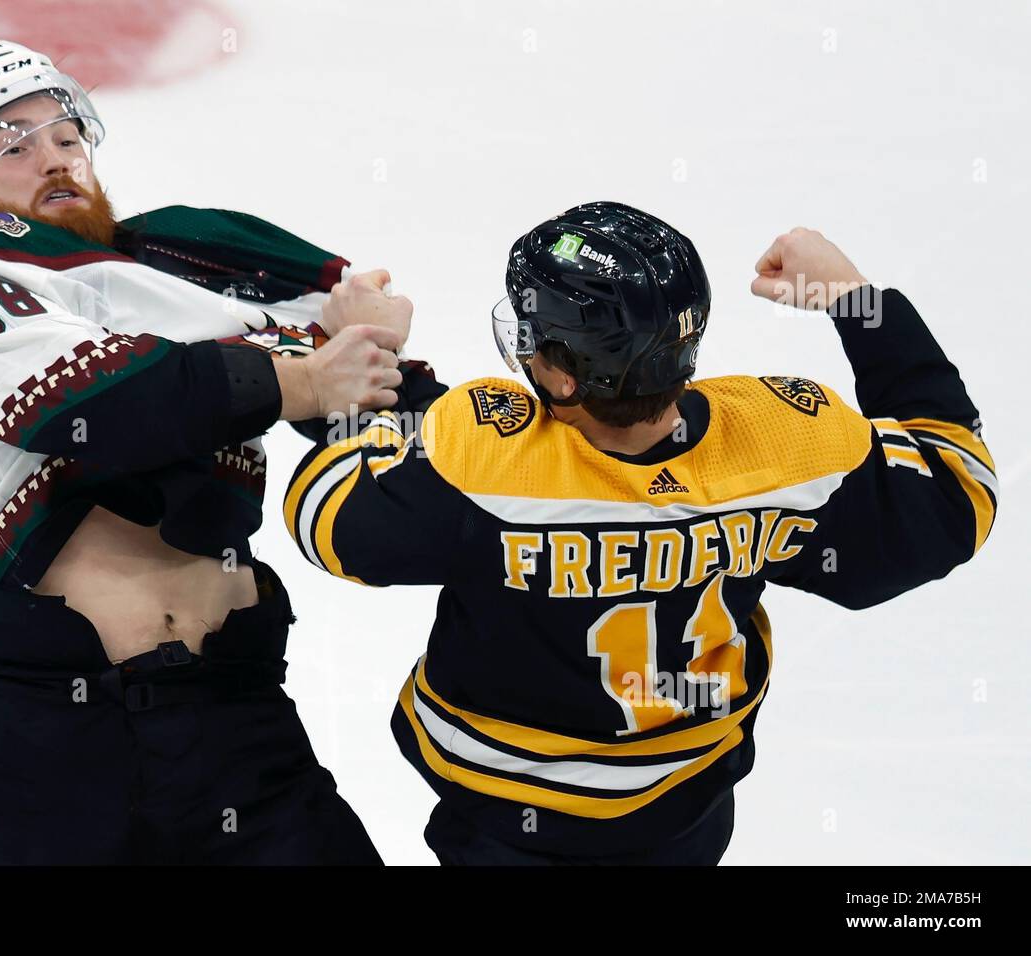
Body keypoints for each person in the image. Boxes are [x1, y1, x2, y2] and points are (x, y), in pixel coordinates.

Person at [283, 201, 998, 865]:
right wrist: (857, 302)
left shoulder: (478, 460)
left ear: (562, 379)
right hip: (688, 812)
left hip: (504, 822)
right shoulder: (785, 447)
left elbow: (331, 515)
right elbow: (958, 487)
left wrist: (362, 353)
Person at [0, 40, 436, 864]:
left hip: (238, 720)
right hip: (48, 738)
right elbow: (105, 404)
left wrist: (377, 360)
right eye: (13, 144)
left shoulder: (186, 275)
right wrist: (311, 379)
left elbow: (404, 460)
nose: (56, 159)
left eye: (67, 137)